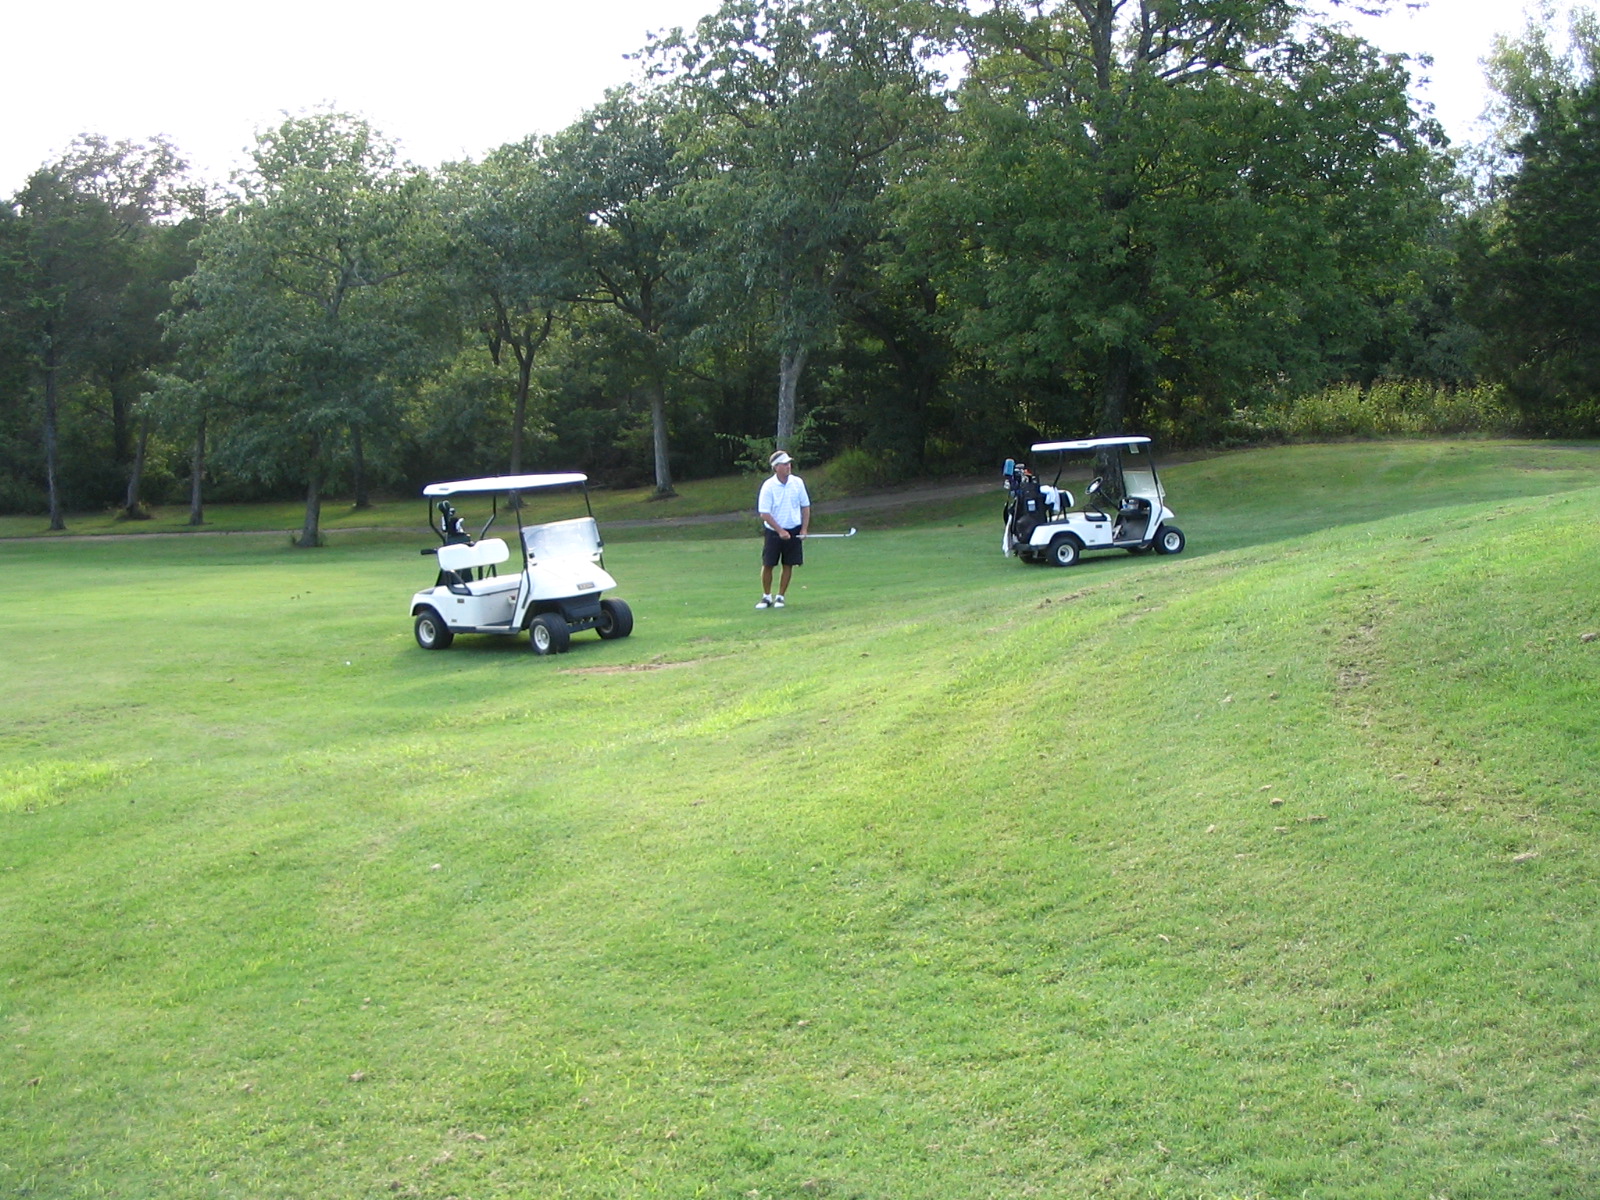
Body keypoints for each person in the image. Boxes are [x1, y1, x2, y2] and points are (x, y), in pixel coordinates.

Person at [755, 450, 810, 609]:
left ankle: (780, 597)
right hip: (773, 531)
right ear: (776, 467)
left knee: (789, 564)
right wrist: (779, 530)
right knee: (768, 564)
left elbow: (805, 506)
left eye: (789, 463)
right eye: (785, 464)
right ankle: (766, 597)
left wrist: (804, 529)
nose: (788, 466)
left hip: (794, 529)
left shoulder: (797, 482)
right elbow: (764, 513)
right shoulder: (768, 486)